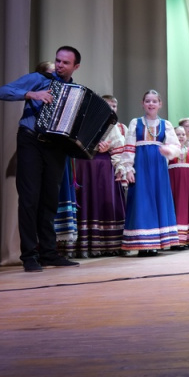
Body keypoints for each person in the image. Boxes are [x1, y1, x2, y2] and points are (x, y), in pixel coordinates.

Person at [0, 46, 83, 272]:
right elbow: (1, 91)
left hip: (56, 147)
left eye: (65, 62)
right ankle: (29, 256)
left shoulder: (76, 92)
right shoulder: (38, 79)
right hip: (31, 141)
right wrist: (31, 94)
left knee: (50, 201)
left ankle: (49, 253)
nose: (60, 65)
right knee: (29, 199)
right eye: (58, 60)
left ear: (76, 66)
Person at [119, 90, 182, 256]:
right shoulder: (135, 123)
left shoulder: (166, 124)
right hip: (140, 165)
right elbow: (129, 146)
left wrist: (169, 150)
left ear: (160, 104)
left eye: (154, 101)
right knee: (141, 201)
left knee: (159, 199)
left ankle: (156, 242)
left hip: (158, 166)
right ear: (142, 104)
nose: (151, 104)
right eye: (148, 101)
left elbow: (176, 146)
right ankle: (142, 243)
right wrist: (128, 168)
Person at [69, 94, 127, 257]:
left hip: (104, 166)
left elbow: (119, 148)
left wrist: (116, 162)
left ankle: (109, 244)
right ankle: (84, 245)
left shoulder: (113, 125)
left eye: (113, 106)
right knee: (85, 200)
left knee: (104, 200)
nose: (110, 109)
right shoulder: (83, 120)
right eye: (106, 105)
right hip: (84, 166)